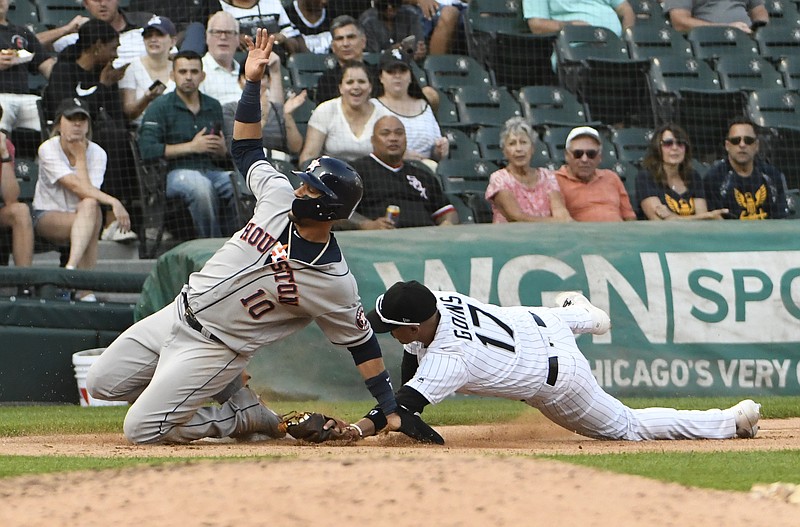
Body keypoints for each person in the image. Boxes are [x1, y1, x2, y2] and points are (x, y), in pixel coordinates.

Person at [85, 29, 415, 445]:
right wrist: (252, 82)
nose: (299, 188)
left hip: (215, 350)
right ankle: (235, 400)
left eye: (311, 188)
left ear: (328, 208)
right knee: (101, 384)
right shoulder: (278, 195)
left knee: (141, 430)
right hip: (177, 313)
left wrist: (390, 409)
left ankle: (243, 419)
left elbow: (363, 346)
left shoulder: (332, 280)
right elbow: (245, 148)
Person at [338, 280, 762, 443]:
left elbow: (398, 405)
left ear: (414, 325)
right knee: (595, 318)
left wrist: (357, 429)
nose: (388, 331)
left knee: (628, 427)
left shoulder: (448, 359)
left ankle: (731, 422)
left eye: (392, 325)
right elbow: (414, 357)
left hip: (559, 377)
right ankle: (585, 311)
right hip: (542, 321)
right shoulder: (439, 299)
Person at [44, 19, 139, 242]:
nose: (115, 55)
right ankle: (109, 220)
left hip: (102, 137)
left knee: (118, 136)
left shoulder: (105, 73)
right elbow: (65, 112)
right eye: (112, 48)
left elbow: (115, 116)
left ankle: (118, 220)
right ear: (97, 46)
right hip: (71, 137)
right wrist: (102, 87)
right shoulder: (64, 70)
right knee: (111, 138)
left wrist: (107, 86)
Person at [33, 98, 131, 298]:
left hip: (83, 217)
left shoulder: (98, 153)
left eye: (82, 119)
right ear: (59, 123)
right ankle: (84, 289)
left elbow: (88, 194)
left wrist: (81, 157)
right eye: (71, 119)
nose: (77, 124)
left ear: (88, 125)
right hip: (47, 217)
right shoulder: (48, 148)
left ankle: (70, 271)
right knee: (91, 212)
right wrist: (113, 201)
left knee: (90, 207)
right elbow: (78, 187)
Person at [138, 50, 239, 238]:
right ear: (172, 75)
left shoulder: (214, 105)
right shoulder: (159, 106)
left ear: (202, 76)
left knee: (238, 184)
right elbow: (147, 150)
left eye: (194, 72)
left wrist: (222, 150)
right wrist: (192, 146)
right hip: (173, 174)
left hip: (211, 170)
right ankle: (212, 245)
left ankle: (240, 243)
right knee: (201, 188)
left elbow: (225, 153)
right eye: (182, 72)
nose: (188, 77)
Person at [349, 115, 457, 229]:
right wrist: (367, 225)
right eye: (385, 133)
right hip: (380, 240)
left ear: (406, 139)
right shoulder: (355, 171)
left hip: (425, 238)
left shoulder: (423, 175)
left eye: (399, 133)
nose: (393, 138)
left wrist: (447, 224)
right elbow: (335, 212)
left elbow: (447, 212)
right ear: (373, 140)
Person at [299, 60, 390, 165]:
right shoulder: (325, 110)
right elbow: (309, 155)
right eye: (349, 82)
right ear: (341, 88)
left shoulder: (383, 114)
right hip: (332, 175)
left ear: (370, 87)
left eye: (361, 81)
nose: (356, 87)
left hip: (372, 176)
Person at [485, 117, 571, 223]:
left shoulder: (547, 176)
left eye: (523, 142)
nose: (519, 149)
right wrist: (555, 222)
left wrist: (564, 220)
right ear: (504, 151)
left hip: (548, 237)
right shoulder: (499, 178)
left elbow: (561, 212)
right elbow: (516, 217)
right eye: (512, 143)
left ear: (532, 148)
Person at [636, 123, 728, 221]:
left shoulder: (693, 176)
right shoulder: (645, 177)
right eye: (668, 143)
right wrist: (706, 216)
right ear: (657, 148)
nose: (675, 148)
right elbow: (659, 221)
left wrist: (673, 217)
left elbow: (702, 223)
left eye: (680, 143)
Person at [703, 118, 789, 220]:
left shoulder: (772, 175)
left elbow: (780, 219)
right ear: (727, 146)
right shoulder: (714, 178)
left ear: (756, 146)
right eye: (736, 141)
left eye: (748, 140)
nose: (742, 145)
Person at [374, 48, 446, 163]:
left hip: (426, 171)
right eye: (391, 71)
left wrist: (439, 151)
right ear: (381, 77)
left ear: (410, 75)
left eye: (403, 71)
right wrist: (399, 155)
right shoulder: (372, 107)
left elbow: (435, 151)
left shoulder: (424, 105)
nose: (397, 75)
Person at [554, 126, 636, 222]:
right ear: (567, 156)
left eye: (591, 154)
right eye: (578, 154)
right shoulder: (554, 180)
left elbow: (629, 216)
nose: (584, 159)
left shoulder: (611, 177)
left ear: (599, 157)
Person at [0, 0, 56, 136]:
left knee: (51, 128)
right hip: (1, 97)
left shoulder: (22, 32)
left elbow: (46, 65)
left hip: (26, 97)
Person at [53, 0, 154, 65]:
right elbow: (37, 47)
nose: (103, 4)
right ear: (86, 4)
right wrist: (65, 29)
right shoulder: (76, 35)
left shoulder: (147, 22)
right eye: (96, 0)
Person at [119, 15, 176, 128]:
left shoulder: (180, 68)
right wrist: (147, 98)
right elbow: (129, 113)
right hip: (143, 130)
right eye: (148, 35)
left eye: (159, 35)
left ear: (173, 41)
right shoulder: (132, 68)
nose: (153, 39)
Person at [218, 0, 309, 56]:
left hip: (278, 62)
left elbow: (295, 43)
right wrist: (232, 39)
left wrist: (282, 38)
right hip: (242, 65)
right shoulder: (220, 7)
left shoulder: (273, 3)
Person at [0, 127, 33, 267]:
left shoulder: (5, 145)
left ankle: (25, 283)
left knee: (20, 211)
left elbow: (11, 199)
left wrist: (4, 154)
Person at [200, 12, 244, 106]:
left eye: (229, 32)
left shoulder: (247, 73)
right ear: (207, 37)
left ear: (237, 39)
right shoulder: (198, 71)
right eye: (217, 32)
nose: (223, 37)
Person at [359, 0, 426, 60]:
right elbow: (373, 55)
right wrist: (392, 50)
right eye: (384, 4)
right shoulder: (367, 20)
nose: (389, 7)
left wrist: (419, 51)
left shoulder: (411, 15)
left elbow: (418, 44)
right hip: (378, 68)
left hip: (409, 65)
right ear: (376, 3)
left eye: (393, 2)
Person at [524, 0, 635, 36]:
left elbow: (626, 10)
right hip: (579, 48)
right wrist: (570, 27)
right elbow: (536, 25)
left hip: (617, 45)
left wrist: (628, 35)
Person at [664, 0, 769, 34]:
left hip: (747, 37)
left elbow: (759, 10)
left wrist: (759, 28)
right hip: (711, 42)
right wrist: (726, 28)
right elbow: (679, 22)